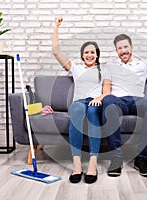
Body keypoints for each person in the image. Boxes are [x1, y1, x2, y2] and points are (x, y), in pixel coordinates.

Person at [102, 20, 147, 178]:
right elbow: (106, 89)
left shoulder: (143, 65)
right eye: (120, 48)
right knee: (108, 101)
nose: (123, 51)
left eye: (125, 47)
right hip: (117, 101)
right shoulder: (110, 65)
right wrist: (106, 97)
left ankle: (141, 159)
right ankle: (116, 158)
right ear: (116, 51)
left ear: (131, 47)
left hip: (137, 101)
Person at [52, 17, 111, 184]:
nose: (90, 55)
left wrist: (99, 98)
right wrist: (56, 27)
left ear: (97, 55)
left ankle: (92, 163)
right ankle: (77, 164)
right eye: (86, 52)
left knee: (93, 112)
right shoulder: (76, 69)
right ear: (82, 56)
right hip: (79, 101)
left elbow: (107, 91)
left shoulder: (104, 70)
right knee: (77, 110)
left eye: (93, 52)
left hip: (95, 101)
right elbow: (56, 52)